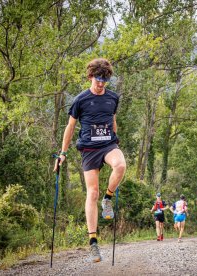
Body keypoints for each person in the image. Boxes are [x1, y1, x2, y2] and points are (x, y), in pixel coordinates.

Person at [54, 58, 126, 262]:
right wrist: (62, 153)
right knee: (91, 192)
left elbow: (112, 120)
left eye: (104, 80)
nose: (101, 83)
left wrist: (115, 138)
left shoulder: (113, 98)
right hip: (88, 148)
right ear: (90, 76)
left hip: (108, 145)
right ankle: (93, 242)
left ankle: (108, 199)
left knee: (120, 165)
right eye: (97, 79)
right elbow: (70, 127)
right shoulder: (80, 100)